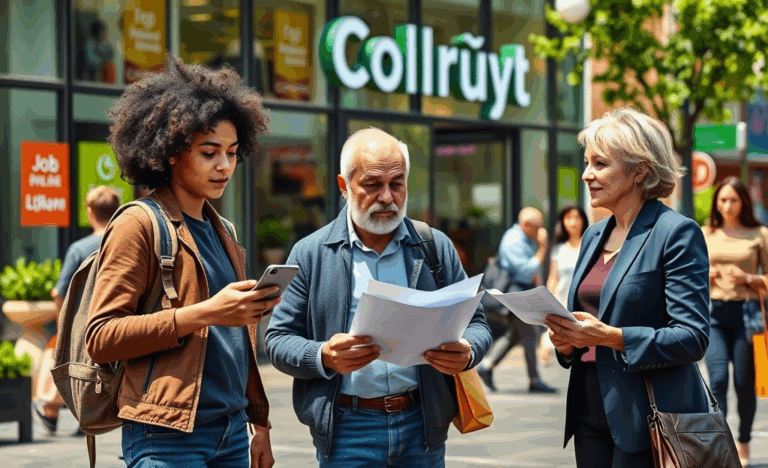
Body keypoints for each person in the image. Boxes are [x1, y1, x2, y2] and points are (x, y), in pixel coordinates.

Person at [85, 56, 277, 468]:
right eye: (209, 153)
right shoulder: (138, 223)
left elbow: (236, 345)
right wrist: (206, 313)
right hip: (166, 436)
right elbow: (101, 336)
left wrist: (259, 423)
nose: (224, 166)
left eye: (232, 153)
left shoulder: (224, 230)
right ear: (172, 152)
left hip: (231, 432)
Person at [265, 128, 492, 468]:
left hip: (422, 428)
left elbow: (477, 323)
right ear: (344, 186)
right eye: (372, 185)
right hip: (347, 432)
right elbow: (278, 340)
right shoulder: (312, 253)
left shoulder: (434, 246)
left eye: (396, 184)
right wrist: (324, 355)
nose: (387, 197)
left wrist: (468, 351)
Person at [545, 107, 711, 467]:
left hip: (649, 415)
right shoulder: (593, 235)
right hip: (588, 410)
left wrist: (613, 337)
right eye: (586, 163)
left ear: (640, 171)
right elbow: (587, 321)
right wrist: (567, 343)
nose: (587, 174)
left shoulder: (675, 233)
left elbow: (693, 336)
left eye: (600, 164)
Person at [33, 186, 121, 436]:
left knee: (60, 354)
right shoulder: (125, 241)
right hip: (120, 320)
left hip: (86, 322)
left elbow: (58, 292)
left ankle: (51, 410)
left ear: (90, 211)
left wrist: (64, 325)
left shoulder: (80, 248)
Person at [703, 176, 768, 466]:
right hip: (713, 314)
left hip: (746, 315)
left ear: (744, 202)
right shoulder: (705, 234)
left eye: (733, 200)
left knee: (744, 384)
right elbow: (687, 274)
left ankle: (743, 443)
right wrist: (704, 275)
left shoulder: (759, 234)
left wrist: (749, 278)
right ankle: (722, 446)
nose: (727, 205)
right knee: (716, 381)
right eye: (722, 200)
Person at [476, 207, 558, 393]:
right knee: (529, 333)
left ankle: (486, 366)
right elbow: (526, 272)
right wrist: (543, 248)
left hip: (520, 293)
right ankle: (534, 379)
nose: (541, 231)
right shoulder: (513, 240)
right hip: (512, 294)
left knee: (515, 334)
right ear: (526, 225)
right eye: (538, 227)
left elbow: (534, 273)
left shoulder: (526, 239)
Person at [539, 206, 589, 365]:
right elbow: (554, 277)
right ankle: (546, 348)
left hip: (584, 301)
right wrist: (548, 299)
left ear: (583, 220)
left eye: (576, 218)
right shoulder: (558, 248)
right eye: (568, 218)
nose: (573, 222)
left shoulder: (589, 245)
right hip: (562, 299)